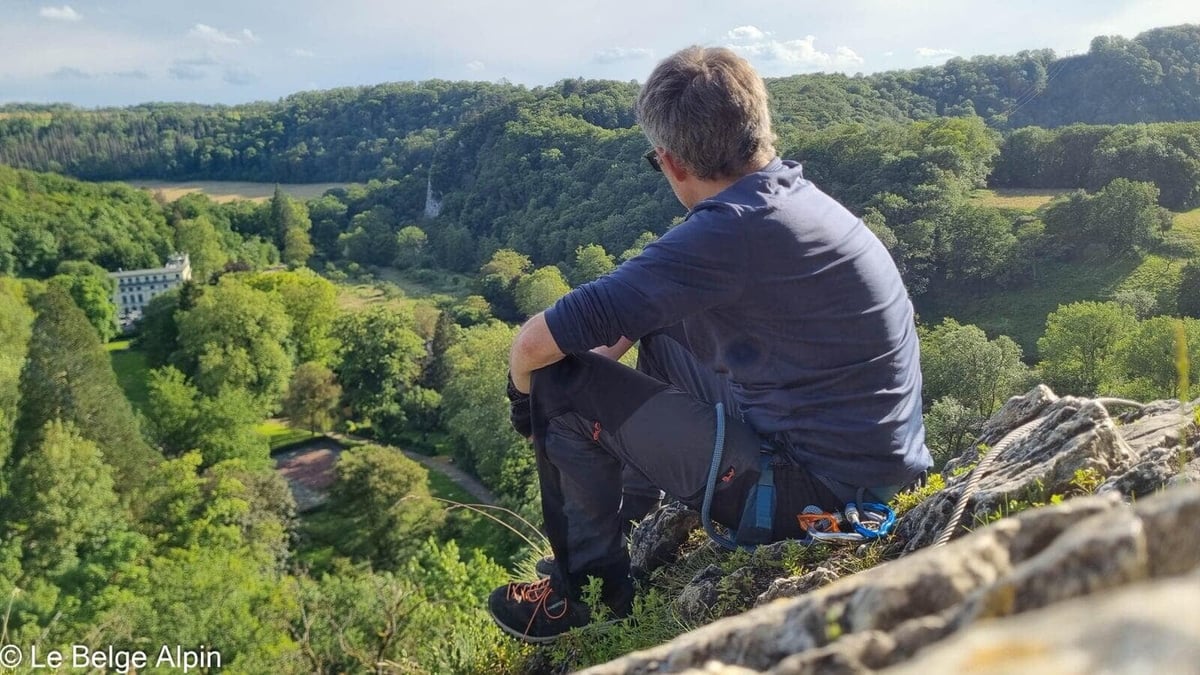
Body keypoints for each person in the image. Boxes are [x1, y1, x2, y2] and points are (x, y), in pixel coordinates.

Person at [487, 45, 932, 643]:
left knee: (559, 385)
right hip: (865, 464)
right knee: (656, 330)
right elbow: (632, 315)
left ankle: (587, 593)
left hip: (816, 496)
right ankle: (623, 526)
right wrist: (589, 384)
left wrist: (537, 402)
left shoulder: (728, 234)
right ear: (760, 128)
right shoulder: (788, 201)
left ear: (670, 162)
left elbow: (533, 344)